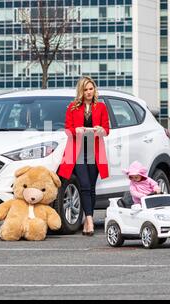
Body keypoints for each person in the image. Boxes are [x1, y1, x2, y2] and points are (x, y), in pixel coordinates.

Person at [57, 76, 110, 236]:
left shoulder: (100, 107)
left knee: (92, 188)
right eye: (85, 89)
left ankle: (88, 219)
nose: (88, 92)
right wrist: (76, 130)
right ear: (81, 91)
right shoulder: (72, 107)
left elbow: (107, 129)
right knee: (85, 186)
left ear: (94, 90)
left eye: (91, 89)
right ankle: (90, 221)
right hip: (78, 152)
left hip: (95, 151)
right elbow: (67, 129)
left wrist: (101, 130)